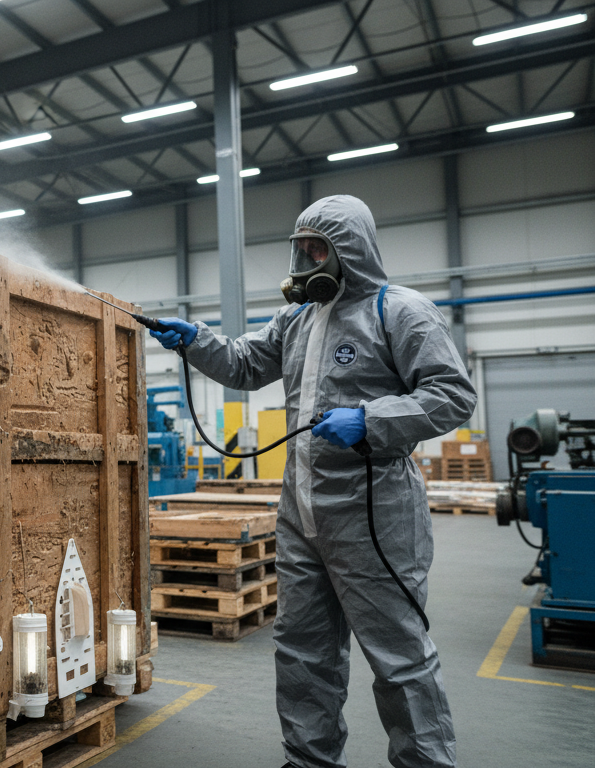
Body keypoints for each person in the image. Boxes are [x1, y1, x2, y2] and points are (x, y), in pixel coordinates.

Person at [150, 195, 473, 768]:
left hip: (375, 516)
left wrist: (370, 420)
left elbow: (451, 396)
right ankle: (309, 761)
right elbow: (248, 363)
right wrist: (196, 341)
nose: (304, 260)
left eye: (316, 248)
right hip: (302, 517)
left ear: (350, 251)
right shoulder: (298, 318)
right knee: (302, 654)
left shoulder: (399, 312)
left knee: (398, 658)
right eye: (299, 248)